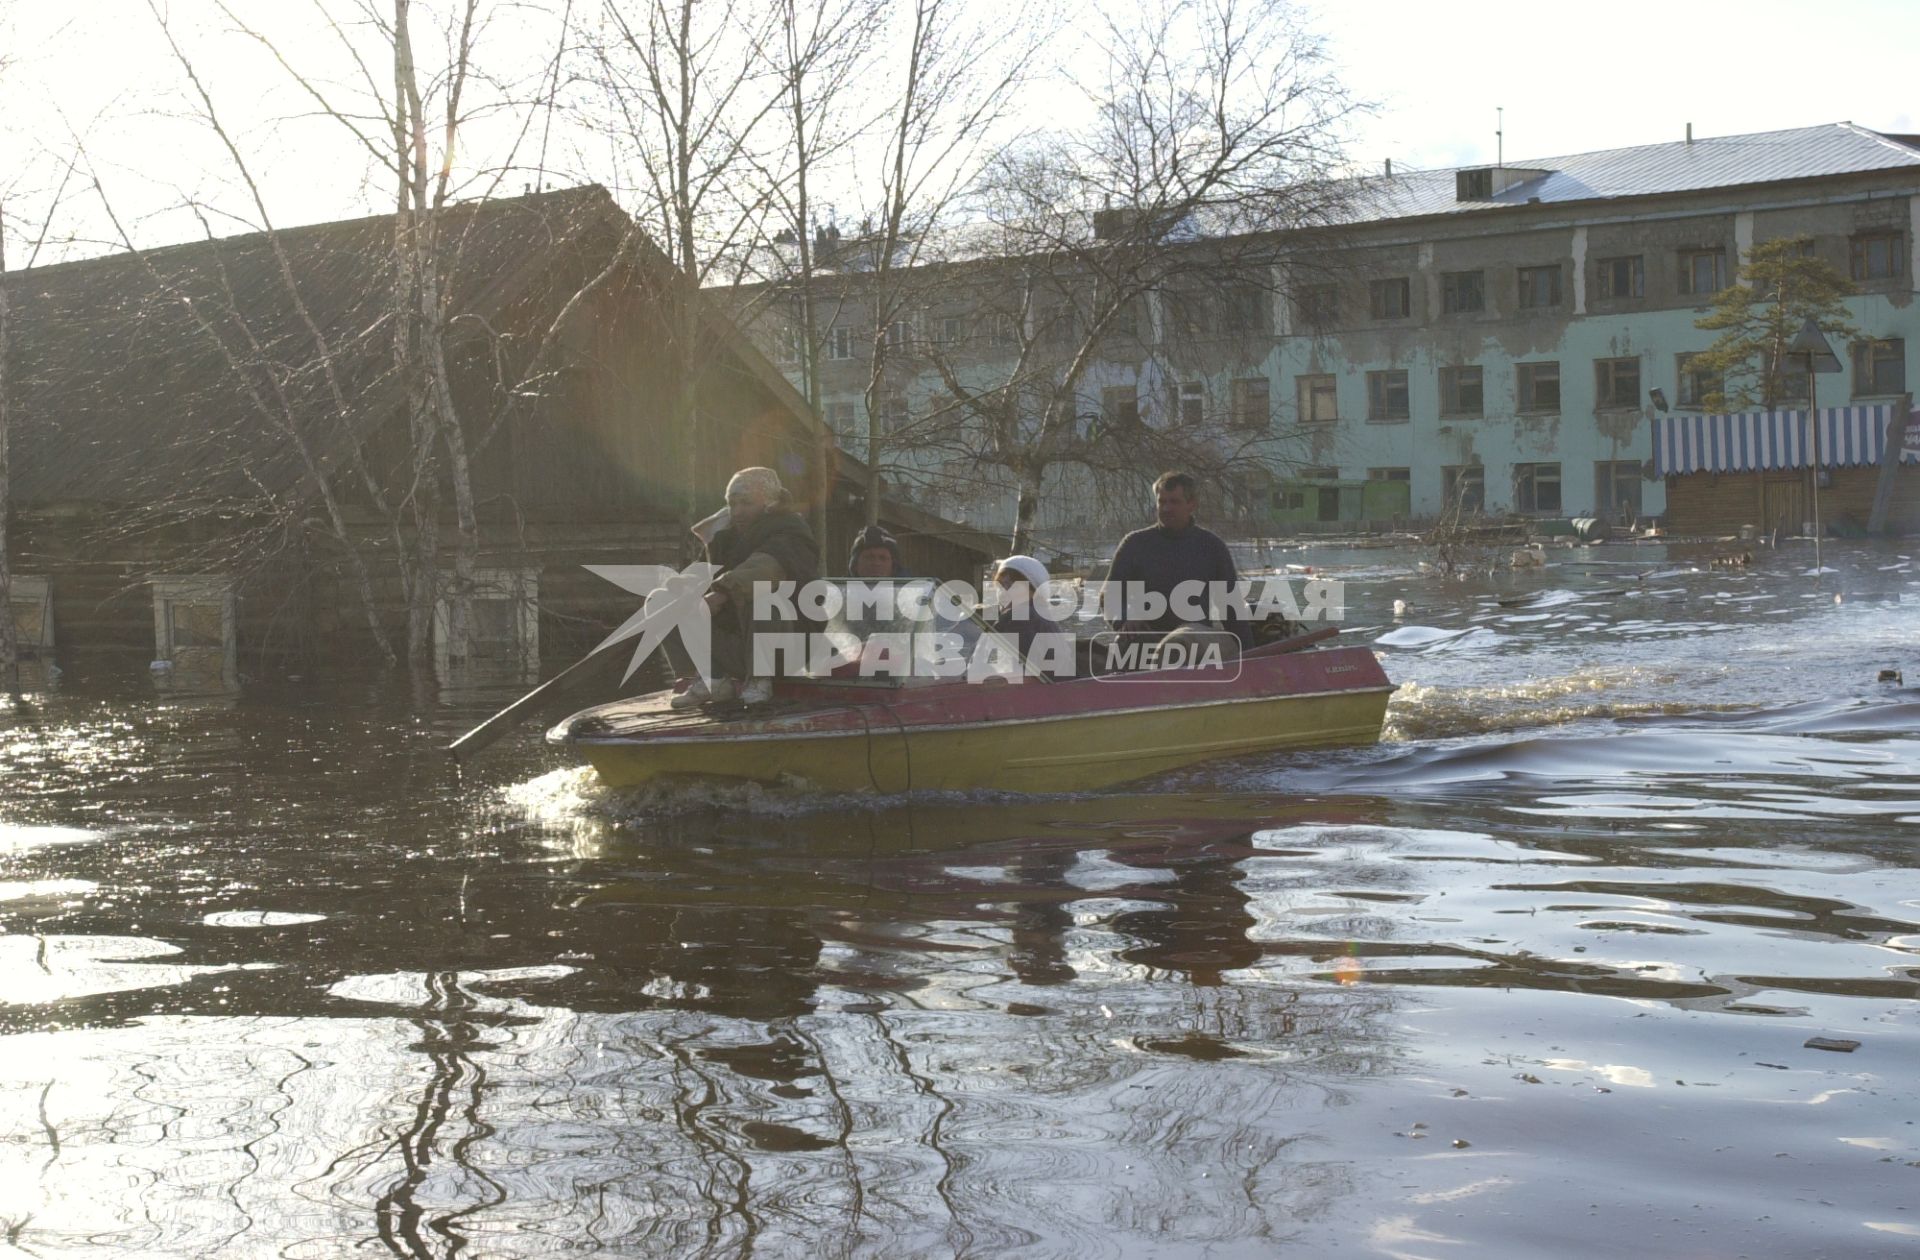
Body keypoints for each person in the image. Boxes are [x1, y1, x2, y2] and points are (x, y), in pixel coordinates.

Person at [668, 466, 820, 709]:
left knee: (762, 597)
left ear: (768, 503)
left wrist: (722, 592)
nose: (737, 511)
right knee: (664, 600)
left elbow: (765, 567)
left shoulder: (792, 533)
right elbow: (700, 575)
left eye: (746, 503)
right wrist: (681, 589)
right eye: (732, 503)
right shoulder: (724, 538)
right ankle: (712, 679)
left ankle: (760, 680)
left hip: (786, 649)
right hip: (739, 645)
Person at [1103, 470, 1249, 657]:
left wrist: (1248, 655)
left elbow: (1231, 609)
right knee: (1125, 644)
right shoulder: (1135, 544)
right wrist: (1124, 617)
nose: (1166, 508)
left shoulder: (1212, 547)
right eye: (1162, 502)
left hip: (1193, 642)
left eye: (1174, 502)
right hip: (1148, 639)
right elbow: (1109, 595)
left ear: (1191, 504)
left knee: (1182, 643)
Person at [990, 554, 1070, 671]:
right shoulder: (1041, 615)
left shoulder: (1022, 619)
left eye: (1014, 586)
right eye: (1001, 585)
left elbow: (1012, 670)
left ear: (1034, 591)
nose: (1004, 592)